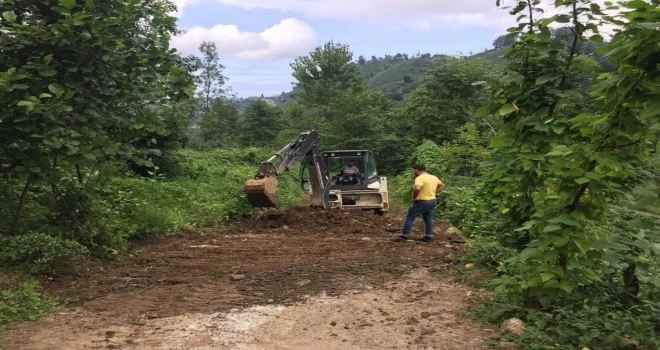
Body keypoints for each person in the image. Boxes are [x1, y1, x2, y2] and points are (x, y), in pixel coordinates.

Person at [393, 164, 444, 243]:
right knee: (428, 218)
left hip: (422, 201)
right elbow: (442, 185)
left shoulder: (419, 178)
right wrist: (434, 192)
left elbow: (417, 188)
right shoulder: (434, 177)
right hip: (432, 201)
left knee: (410, 217)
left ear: (416, 170)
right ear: (425, 169)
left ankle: (404, 236)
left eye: (414, 170)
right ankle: (428, 236)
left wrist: (414, 197)